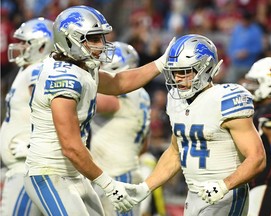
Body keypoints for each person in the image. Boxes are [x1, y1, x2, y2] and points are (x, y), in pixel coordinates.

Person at [23, 5, 174, 215]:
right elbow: (70, 147)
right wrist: (109, 184)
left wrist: (160, 63)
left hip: (74, 172)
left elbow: (119, 83)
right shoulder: (63, 78)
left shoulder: (80, 68)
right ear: (69, 40)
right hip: (50, 172)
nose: (101, 45)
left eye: (101, 38)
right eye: (94, 38)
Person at [120, 34, 266, 215]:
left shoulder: (226, 99)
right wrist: (145, 187)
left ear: (205, 68)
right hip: (194, 195)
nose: (178, 78)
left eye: (184, 71)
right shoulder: (176, 101)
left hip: (226, 194)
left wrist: (224, 185)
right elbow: (175, 152)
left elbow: (257, 158)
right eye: (174, 72)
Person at [90, 41, 152, 216]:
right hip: (124, 170)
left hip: (117, 176)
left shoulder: (121, 91)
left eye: (102, 62)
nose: (98, 65)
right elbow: (145, 143)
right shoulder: (142, 93)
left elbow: (88, 101)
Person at [0, 17, 54, 215]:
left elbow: (52, 113)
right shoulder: (29, 70)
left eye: (24, 42)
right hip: (25, 167)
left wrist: (33, 146)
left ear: (42, 46)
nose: (18, 46)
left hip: (27, 169)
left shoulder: (37, 71)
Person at [242, 57, 271, 216]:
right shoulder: (263, 110)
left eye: (256, 82)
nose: (250, 87)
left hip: (268, 186)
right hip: (256, 185)